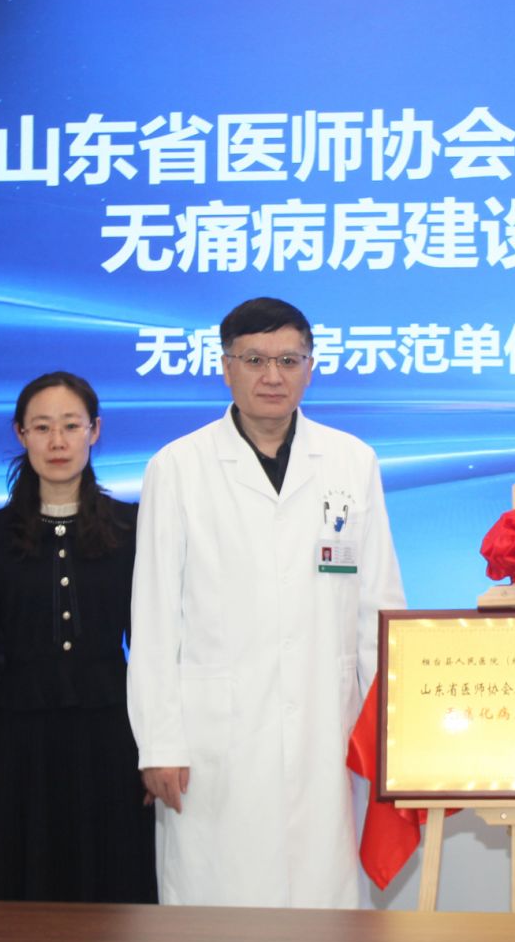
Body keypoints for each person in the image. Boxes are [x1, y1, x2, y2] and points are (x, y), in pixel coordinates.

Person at [128, 296, 406, 908]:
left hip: (325, 723)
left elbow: (377, 605)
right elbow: (153, 621)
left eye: (288, 359)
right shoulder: (176, 467)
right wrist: (159, 742)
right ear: (225, 367)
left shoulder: (351, 461)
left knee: (324, 896)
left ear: (311, 367)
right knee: (217, 905)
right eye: (254, 360)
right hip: (214, 735)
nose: (272, 376)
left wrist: (391, 725)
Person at [0, 372, 154, 903]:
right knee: (22, 886)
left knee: (111, 884)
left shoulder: (130, 526)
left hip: (110, 734)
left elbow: (153, 645)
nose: (57, 442)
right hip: (17, 739)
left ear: (95, 431)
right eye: (42, 428)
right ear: (21, 434)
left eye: (70, 426)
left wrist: (156, 746)